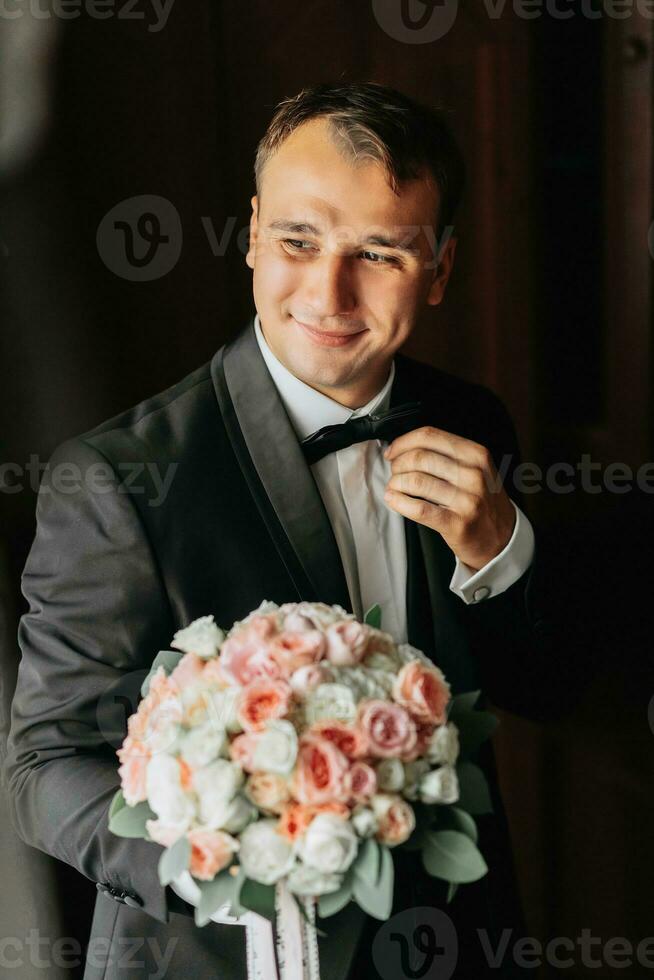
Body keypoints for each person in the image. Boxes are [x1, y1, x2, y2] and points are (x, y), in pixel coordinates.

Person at [4, 82, 579, 980]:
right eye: (298, 241)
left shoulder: (473, 423)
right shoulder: (119, 478)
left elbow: (544, 690)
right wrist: (233, 858)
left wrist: (499, 549)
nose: (329, 290)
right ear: (250, 236)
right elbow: (43, 770)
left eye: (380, 252)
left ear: (442, 266)